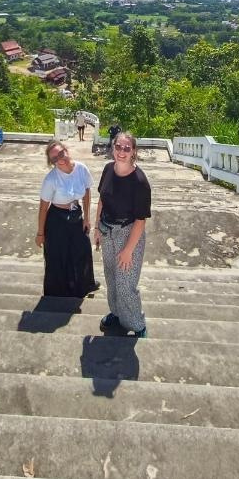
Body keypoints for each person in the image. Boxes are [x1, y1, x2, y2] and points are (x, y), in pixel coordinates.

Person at [94, 131, 151, 338]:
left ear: (133, 151)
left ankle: (137, 324)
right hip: (107, 230)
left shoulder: (140, 181)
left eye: (127, 148)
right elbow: (102, 199)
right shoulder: (108, 169)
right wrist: (96, 228)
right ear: (113, 147)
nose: (122, 152)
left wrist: (128, 250)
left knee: (126, 284)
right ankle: (117, 314)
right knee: (111, 277)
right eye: (118, 147)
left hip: (128, 233)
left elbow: (141, 220)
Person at [35, 139, 97, 297]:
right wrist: (40, 233)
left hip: (76, 214)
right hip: (57, 219)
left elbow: (87, 191)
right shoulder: (51, 179)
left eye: (61, 154)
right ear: (52, 163)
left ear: (67, 150)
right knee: (58, 256)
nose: (60, 159)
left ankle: (83, 285)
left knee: (82, 251)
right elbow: (43, 208)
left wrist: (87, 218)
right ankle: (57, 293)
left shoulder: (81, 169)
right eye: (55, 159)